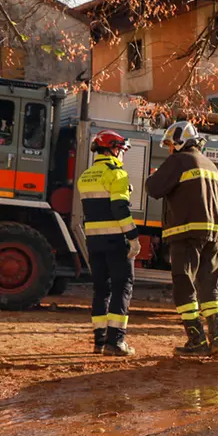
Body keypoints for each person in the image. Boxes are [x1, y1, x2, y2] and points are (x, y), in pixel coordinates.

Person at [146, 120, 218, 357]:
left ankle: (197, 340)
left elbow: (154, 188)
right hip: (214, 234)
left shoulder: (178, 161)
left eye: (171, 144)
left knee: (184, 285)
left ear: (181, 142)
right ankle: (217, 340)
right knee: (210, 286)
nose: (169, 149)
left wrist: (156, 175)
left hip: (186, 233)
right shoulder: (211, 164)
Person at [77, 130, 139, 357]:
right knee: (123, 286)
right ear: (113, 149)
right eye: (121, 150)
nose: (121, 155)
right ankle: (116, 341)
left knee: (101, 289)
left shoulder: (86, 176)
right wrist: (133, 237)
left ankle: (100, 341)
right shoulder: (117, 174)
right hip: (116, 240)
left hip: (93, 241)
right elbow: (119, 209)